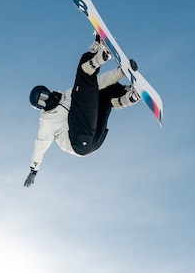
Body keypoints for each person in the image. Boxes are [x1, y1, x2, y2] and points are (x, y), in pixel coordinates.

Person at [24, 37, 140, 186]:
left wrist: (121, 73)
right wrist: (33, 170)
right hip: (78, 141)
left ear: (48, 91)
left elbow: (98, 83)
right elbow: (40, 145)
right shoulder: (47, 121)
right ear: (40, 108)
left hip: (94, 139)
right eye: (41, 102)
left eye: (44, 95)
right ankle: (97, 54)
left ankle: (126, 97)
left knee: (98, 92)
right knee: (83, 75)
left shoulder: (68, 96)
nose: (45, 100)